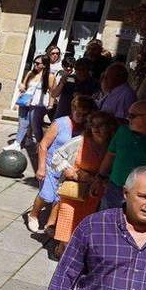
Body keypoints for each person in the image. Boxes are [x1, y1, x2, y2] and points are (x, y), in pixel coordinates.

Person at [52, 110, 116, 260]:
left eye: (101, 125)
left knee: (85, 223)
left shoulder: (113, 147)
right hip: (73, 189)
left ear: (110, 127)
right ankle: (62, 250)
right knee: (67, 219)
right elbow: (57, 156)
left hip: (96, 193)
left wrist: (99, 179)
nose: (96, 128)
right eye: (93, 124)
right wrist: (67, 169)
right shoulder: (80, 141)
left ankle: (77, 252)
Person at [31, 95, 94, 234]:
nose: (81, 117)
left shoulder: (86, 128)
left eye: (85, 115)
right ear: (72, 109)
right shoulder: (60, 123)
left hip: (68, 169)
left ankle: (50, 225)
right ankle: (33, 215)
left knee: (59, 198)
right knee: (47, 195)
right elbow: (43, 146)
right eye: (78, 113)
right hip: (51, 165)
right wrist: (41, 168)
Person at [14, 55, 53, 148]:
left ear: (44, 65)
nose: (35, 64)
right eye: (34, 62)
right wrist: (21, 85)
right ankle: (17, 143)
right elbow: (23, 84)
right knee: (22, 122)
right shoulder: (31, 73)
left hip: (38, 103)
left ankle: (40, 143)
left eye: (38, 63)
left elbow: (52, 91)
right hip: (26, 101)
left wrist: (50, 104)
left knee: (34, 123)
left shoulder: (49, 76)